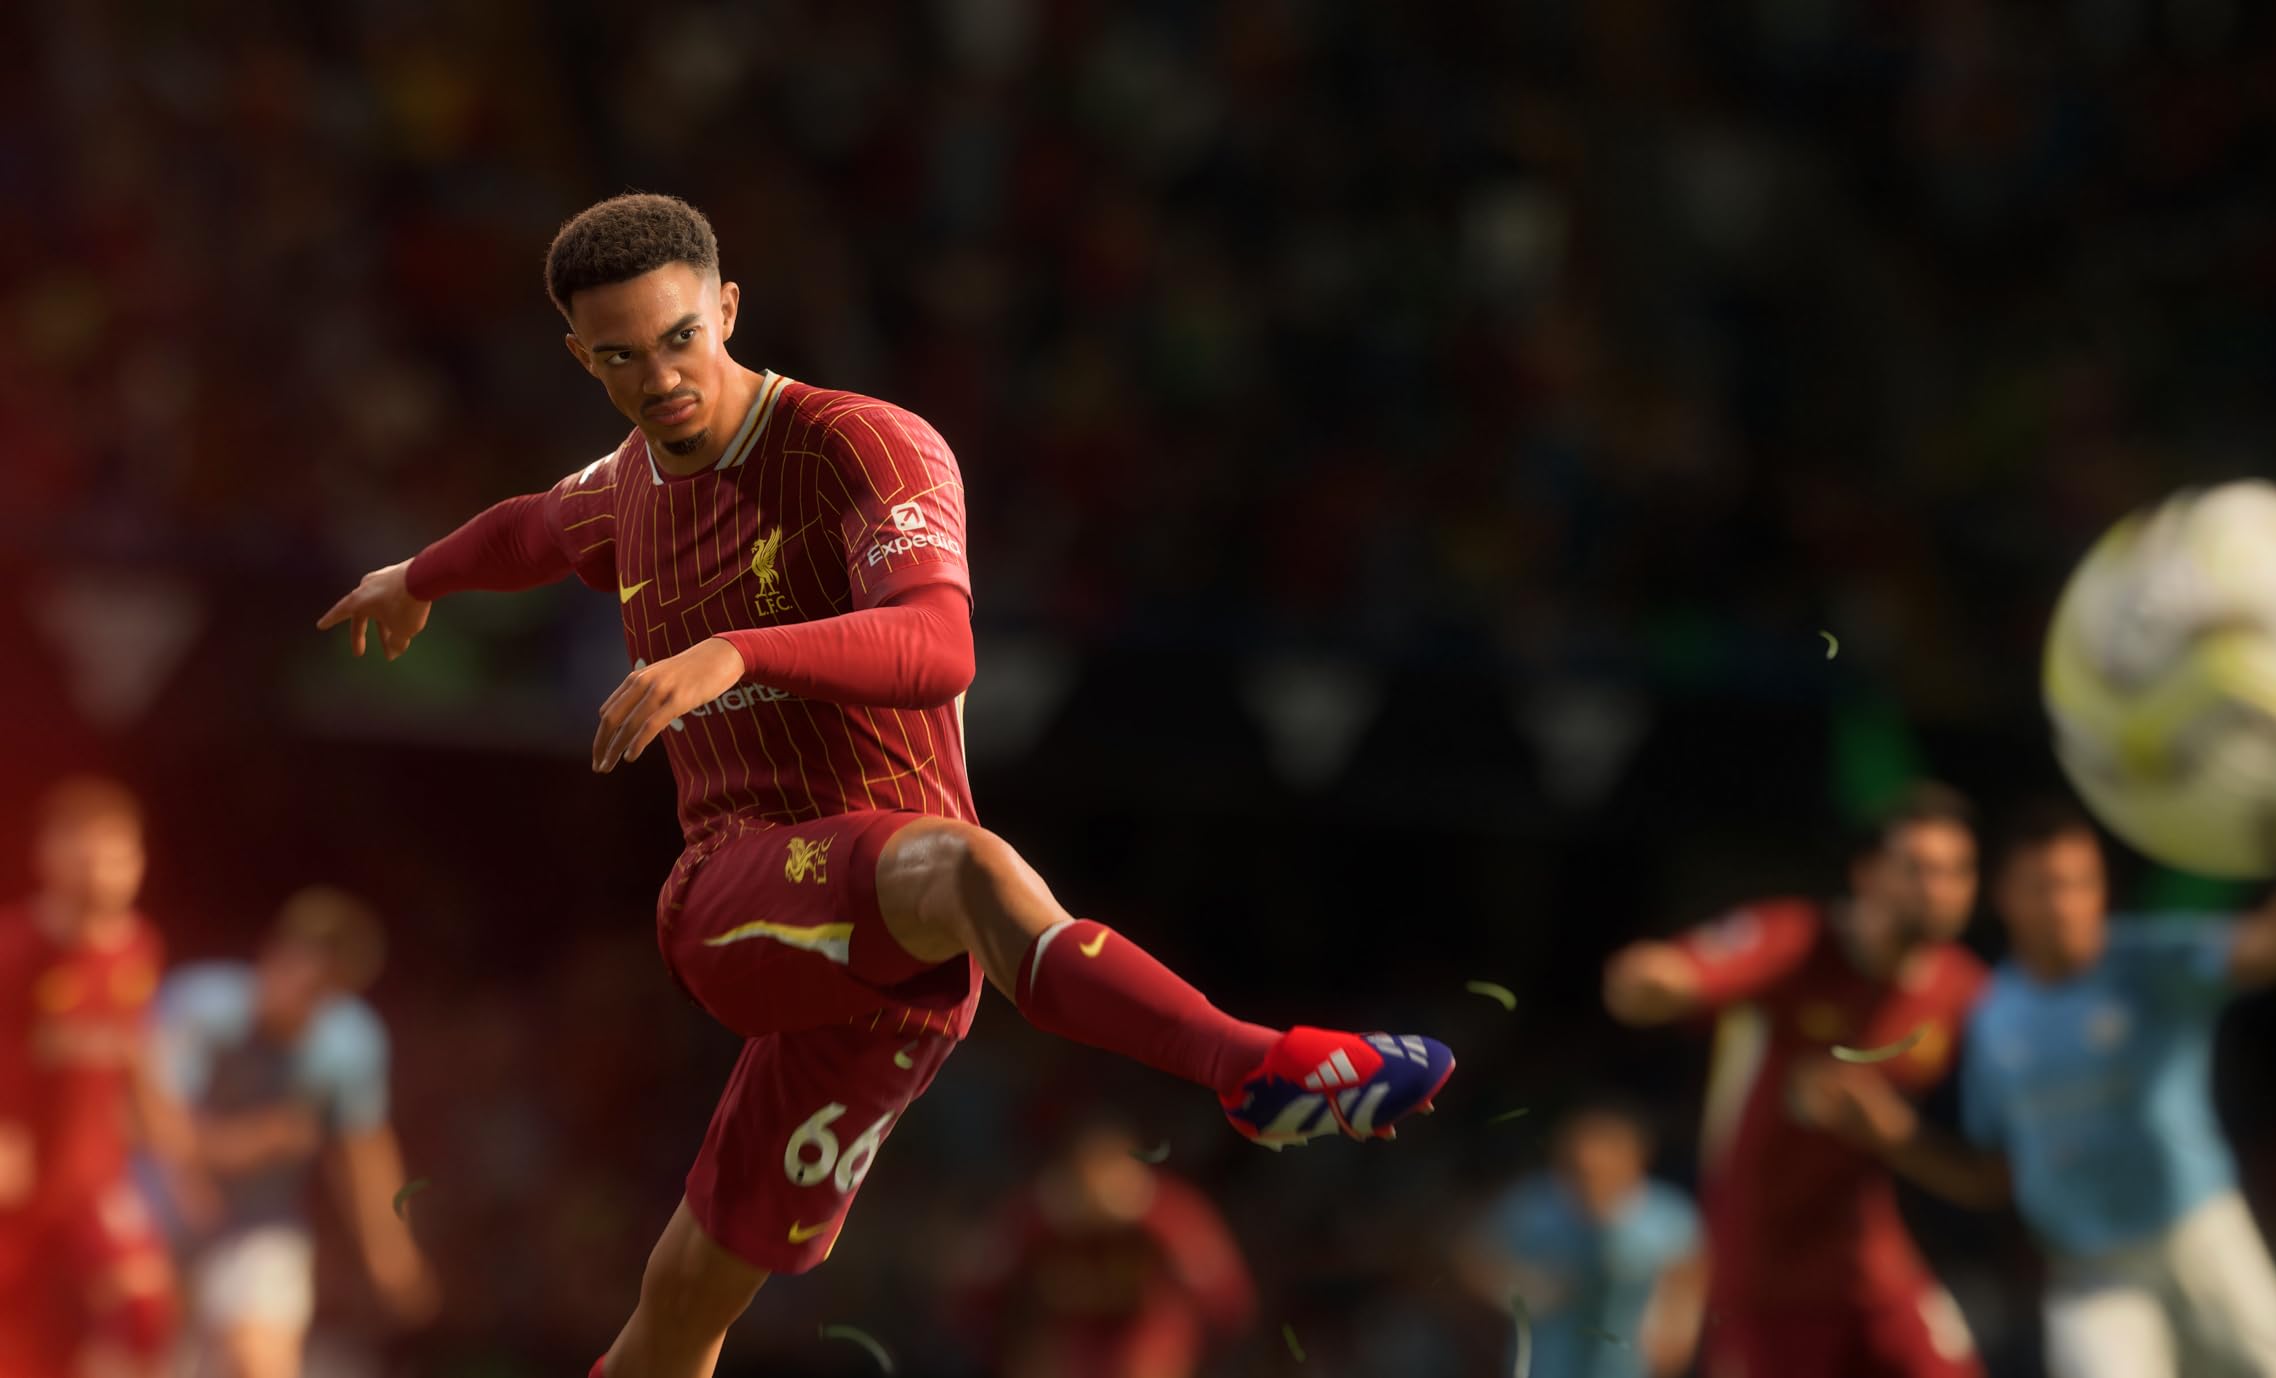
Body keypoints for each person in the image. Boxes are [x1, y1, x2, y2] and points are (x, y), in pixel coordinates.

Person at [313, 192, 1453, 1378]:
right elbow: (530, 531)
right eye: (620, 357)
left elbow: (940, 644)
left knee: (684, 1307)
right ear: (580, 357)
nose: (660, 378)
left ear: (727, 309)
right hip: (737, 888)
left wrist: (734, 652)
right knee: (963, 866)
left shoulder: (862, 445)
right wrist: (417, 576)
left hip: (902, 984)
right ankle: (1251, 1065)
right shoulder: (623, 490)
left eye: (680, 338)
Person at [1792, 801, 2276, 1378]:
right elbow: (1991, 1176)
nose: (2063, 904)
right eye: (2042, 887)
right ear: (2005, 896)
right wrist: (1893, 1135)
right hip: (2091, 1274)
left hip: (2199, 1237)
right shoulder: (1989, 1014)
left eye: (2078, 883)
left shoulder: (2148, 964)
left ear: (2101, 888)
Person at [1602, 782, 1989, 1378]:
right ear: (1866, 874)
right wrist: (1653, 980)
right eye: (1918, 869)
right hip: (1765, 1282)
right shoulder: (1795, 940)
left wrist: (1891, 1132)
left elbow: (1987, 1172)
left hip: (1876, 1269)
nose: (1938, 890)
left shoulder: (1965, 992)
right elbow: (1676, 976)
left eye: (1956, 871)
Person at [151, 885, 439, 1378]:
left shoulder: (351, 1043)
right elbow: (148, 1110)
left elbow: (362, 1149)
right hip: (157, 1212)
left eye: (322, 986)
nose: (299, 989)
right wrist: (238, 1148)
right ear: (272, 951)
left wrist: (391, 1254)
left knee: (260, 1364)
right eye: (295, 967)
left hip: (260, 1228)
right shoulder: (197, 1004)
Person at [0, 776, 201, 1378]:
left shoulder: (138, 946)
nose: (102, 876)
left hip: (94, 1178)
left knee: (144, 1309)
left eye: (117, 859)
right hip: (17, 1183)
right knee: (27, 1341)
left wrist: (177, 1156)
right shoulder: (14, 947)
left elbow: (135, 1053)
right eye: (86, 858)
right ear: (48, 857)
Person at [949, 1118, 1255, 1378]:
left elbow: (1225, 1298)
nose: (1100, 1191)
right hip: (1064, 1347)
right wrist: (1003, 1351)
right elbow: (974, 1297)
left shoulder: (1170, 1217)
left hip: (1144, 1347)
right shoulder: (1034, 1219)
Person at [1458, 1101, 1707, 1378]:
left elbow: (1688, 1287)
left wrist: (1675, 1334)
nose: (1590, 1184)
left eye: (1603, 1171)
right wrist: (1525, 1291)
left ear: (1635, 1162)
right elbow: (1476, 1261)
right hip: (1546, 1365)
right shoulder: (1533, 1208)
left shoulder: (1668, 1219)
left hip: (1628, 1367)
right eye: (1578, 1171)